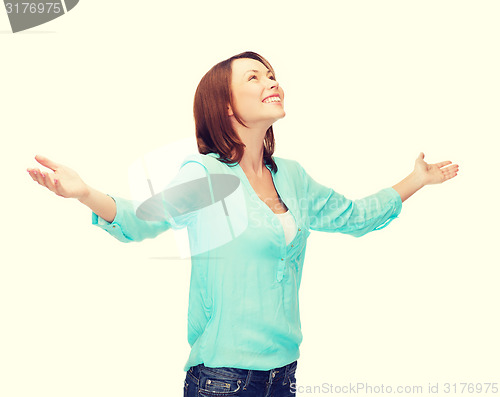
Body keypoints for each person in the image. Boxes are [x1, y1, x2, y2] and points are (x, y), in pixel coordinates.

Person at [27, 51, 459, 397]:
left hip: (284, 375)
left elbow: (356, 217)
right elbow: (140, 221)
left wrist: (416, 180)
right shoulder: (207, 176)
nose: (272, 80)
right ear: (226, 104)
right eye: (254, 77)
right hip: (222, 380)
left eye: (271, 74)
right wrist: (84, 192)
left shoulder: (292, 177)